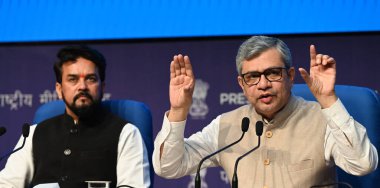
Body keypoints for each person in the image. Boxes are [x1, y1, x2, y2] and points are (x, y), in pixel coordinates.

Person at [153, 36, 378, 187]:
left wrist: (328, 100)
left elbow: (362, 164)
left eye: (272, 73)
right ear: (241, 84)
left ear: (290, 76)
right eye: (252, 76)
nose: (263, 84)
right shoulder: (227, 126)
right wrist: (178, 109)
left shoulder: (322, 119)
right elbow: (168, 167)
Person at [0, 46, 150, 187]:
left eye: (90, 79)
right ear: (59, 89)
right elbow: (7, 184)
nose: (82, 86)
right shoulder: (34, 134)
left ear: (102, 87)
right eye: (73, 79)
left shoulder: (126, 133)